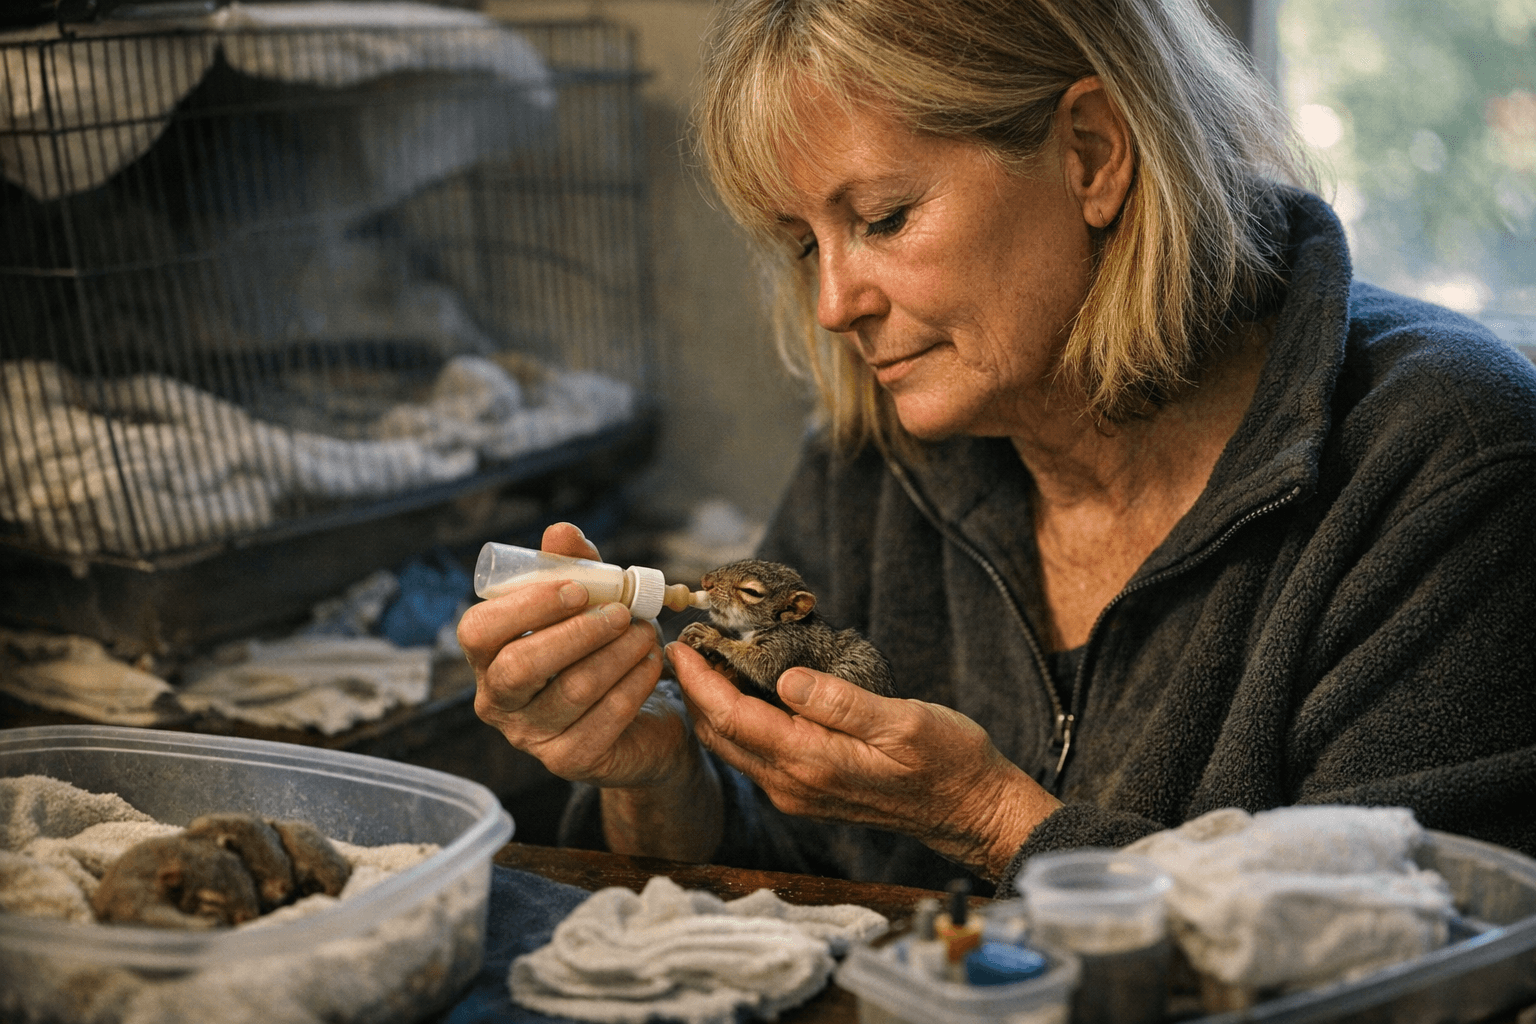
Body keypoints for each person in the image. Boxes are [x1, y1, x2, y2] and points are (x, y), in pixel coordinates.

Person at [459, 0, 1536, 893]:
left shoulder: (1445, 460)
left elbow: (1417, 947)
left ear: (1092, 155)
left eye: (881, 218)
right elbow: (782, 878)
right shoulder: (873, 459)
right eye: (801, 244)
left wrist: (992, 816)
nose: (833, 303)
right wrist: (658, 783)